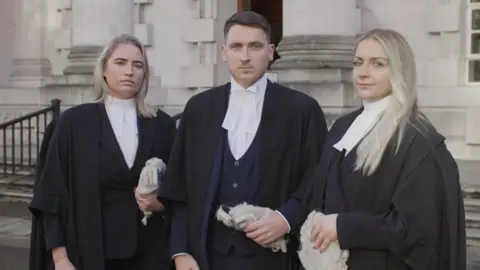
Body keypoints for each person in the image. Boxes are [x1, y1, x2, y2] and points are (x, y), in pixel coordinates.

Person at [158, 11, 328, 270]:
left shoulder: (302, 110)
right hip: (208, 257)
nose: (245, 56)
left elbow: (317, 180)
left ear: (271, 51)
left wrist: (285, 219)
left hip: (275, 257)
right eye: (237, 47)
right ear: (224, 52)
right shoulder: (198, 109)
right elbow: (179, 190)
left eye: (255, 46)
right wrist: (180, 252)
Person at [307, 28, 466, 269]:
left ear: (400, 70)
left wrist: (342, 226)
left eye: (378, 64)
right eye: (358, 63)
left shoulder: (417, 139)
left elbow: (418, 229)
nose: (363, 73)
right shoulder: (343, 126)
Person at [28, 34, 176, 270]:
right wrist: (60, 259)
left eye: (138, 65)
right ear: (103, 69)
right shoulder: (73, 124)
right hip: (88, 253)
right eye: (120, 62)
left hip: (151, 254)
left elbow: (180, 192)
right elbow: (52, 197)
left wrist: (159, 204)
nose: (129, 71)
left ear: (144, 74)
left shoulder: (163, 125)